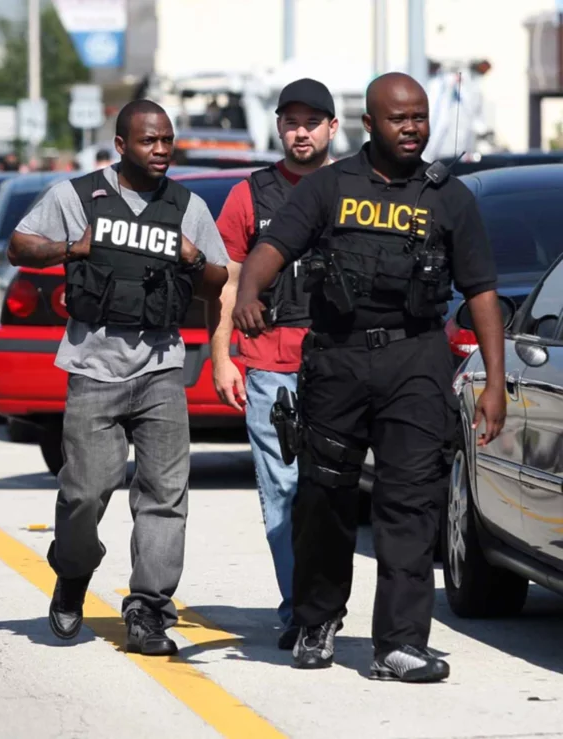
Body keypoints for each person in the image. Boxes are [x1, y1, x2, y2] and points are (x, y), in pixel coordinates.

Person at [232, 72, 505, 682]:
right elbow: (271, 249)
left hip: (416, 361)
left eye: (420, 118)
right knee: (324, 498)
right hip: (339, 361)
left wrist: (493, 380)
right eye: (399, 119)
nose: (412, 129)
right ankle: (316, 619)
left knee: (411, 502)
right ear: (370, 124)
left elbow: (482, 291)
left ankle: (398, 644)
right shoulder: (331, 186)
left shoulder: (448, 196)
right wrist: (251, 291)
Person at [8, 100, 230, 656]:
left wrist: (194, 258)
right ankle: (73, 578)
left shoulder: (186, 206)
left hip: (160, 368)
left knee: (164, 497)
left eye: (167, 141)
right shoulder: (78, 197)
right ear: (121, 145)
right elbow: (20, 246)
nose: (161, 150)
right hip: (93, 368)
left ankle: (149, 612)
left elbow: (218, 277)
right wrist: (70, 247)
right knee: (84, 495)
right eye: (150, 141)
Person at [213, 78, 339, 651]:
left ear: (333, 128)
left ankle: (322, 601)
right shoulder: (250, 194)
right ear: (279, 127)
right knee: (281, 490)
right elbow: (228, 281)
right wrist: (221, 357)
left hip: (339, 363)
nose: (301, 131)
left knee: (331, 492)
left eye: (312, 121)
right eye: (291, 121)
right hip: (268, 365)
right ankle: (299, 610)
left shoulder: (353, 188)